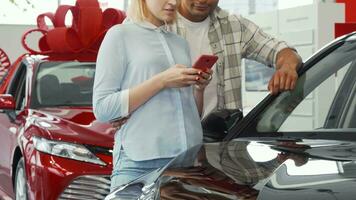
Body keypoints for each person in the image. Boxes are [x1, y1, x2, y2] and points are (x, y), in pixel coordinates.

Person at [112, 0, 302, 129]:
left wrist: (287, 66)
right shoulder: (149, 23)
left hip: (222, 143)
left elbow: (283, 51)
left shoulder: (234, 25)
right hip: (166, 140)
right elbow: (118, 91)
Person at [93, 0, 213, 191]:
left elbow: (191, 115)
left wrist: (199, 89)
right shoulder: (119, 35)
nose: (173, 3)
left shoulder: (180, 43)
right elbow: (103, 108)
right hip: (140, 166)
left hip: (188, 163)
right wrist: (162, 80)